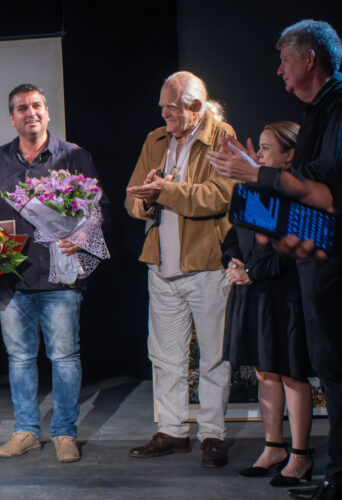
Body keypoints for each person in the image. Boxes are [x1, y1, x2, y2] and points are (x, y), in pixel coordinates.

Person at [212, 20, 342, 500]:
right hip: (320, 263)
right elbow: (283, 207)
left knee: (340, 373)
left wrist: (259, 173)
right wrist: (250, 185)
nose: (279, 70)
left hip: (335, 263)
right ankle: (339, 476)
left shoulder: (341, 102)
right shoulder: (319, 109)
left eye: (285, 60)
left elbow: (323, 181)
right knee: (332, 373)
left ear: (309, 58)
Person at [0, 83, 105, 463]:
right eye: (22, 108)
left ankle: (64, 433)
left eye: (37, 105)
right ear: (12, 118)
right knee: (20, 359)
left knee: (63, 357)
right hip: (13, 276)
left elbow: (96, 206)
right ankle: (26, 431)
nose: (31, 112)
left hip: (60, 275)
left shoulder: (73, 155)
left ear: (47, 111)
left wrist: (81, 235)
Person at [124, 71, 237, 468]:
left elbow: (219, 196)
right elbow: (133, 197)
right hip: (161, 265)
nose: (164, 114)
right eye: (162, 107)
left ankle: (212, 435)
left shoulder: (222, 137)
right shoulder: (156, 140)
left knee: (213, 357)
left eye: (170, 107)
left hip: (206, 265)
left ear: (194, 106)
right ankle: (172, 431)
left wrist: (164, 191)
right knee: (166, 357)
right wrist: (143, 201)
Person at [209, 122, 315, 486]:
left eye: (266, 149)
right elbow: (231, 238)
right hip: (252, 293)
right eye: (259, 149)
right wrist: (235, 264)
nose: (258, 156)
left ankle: (300, 455)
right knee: (264, 370)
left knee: (291, 372)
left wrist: (252, 271)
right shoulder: (250, 192)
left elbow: (292, 248)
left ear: (289, 156)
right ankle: (274, 447)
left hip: (284, 295)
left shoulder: (298, 195)